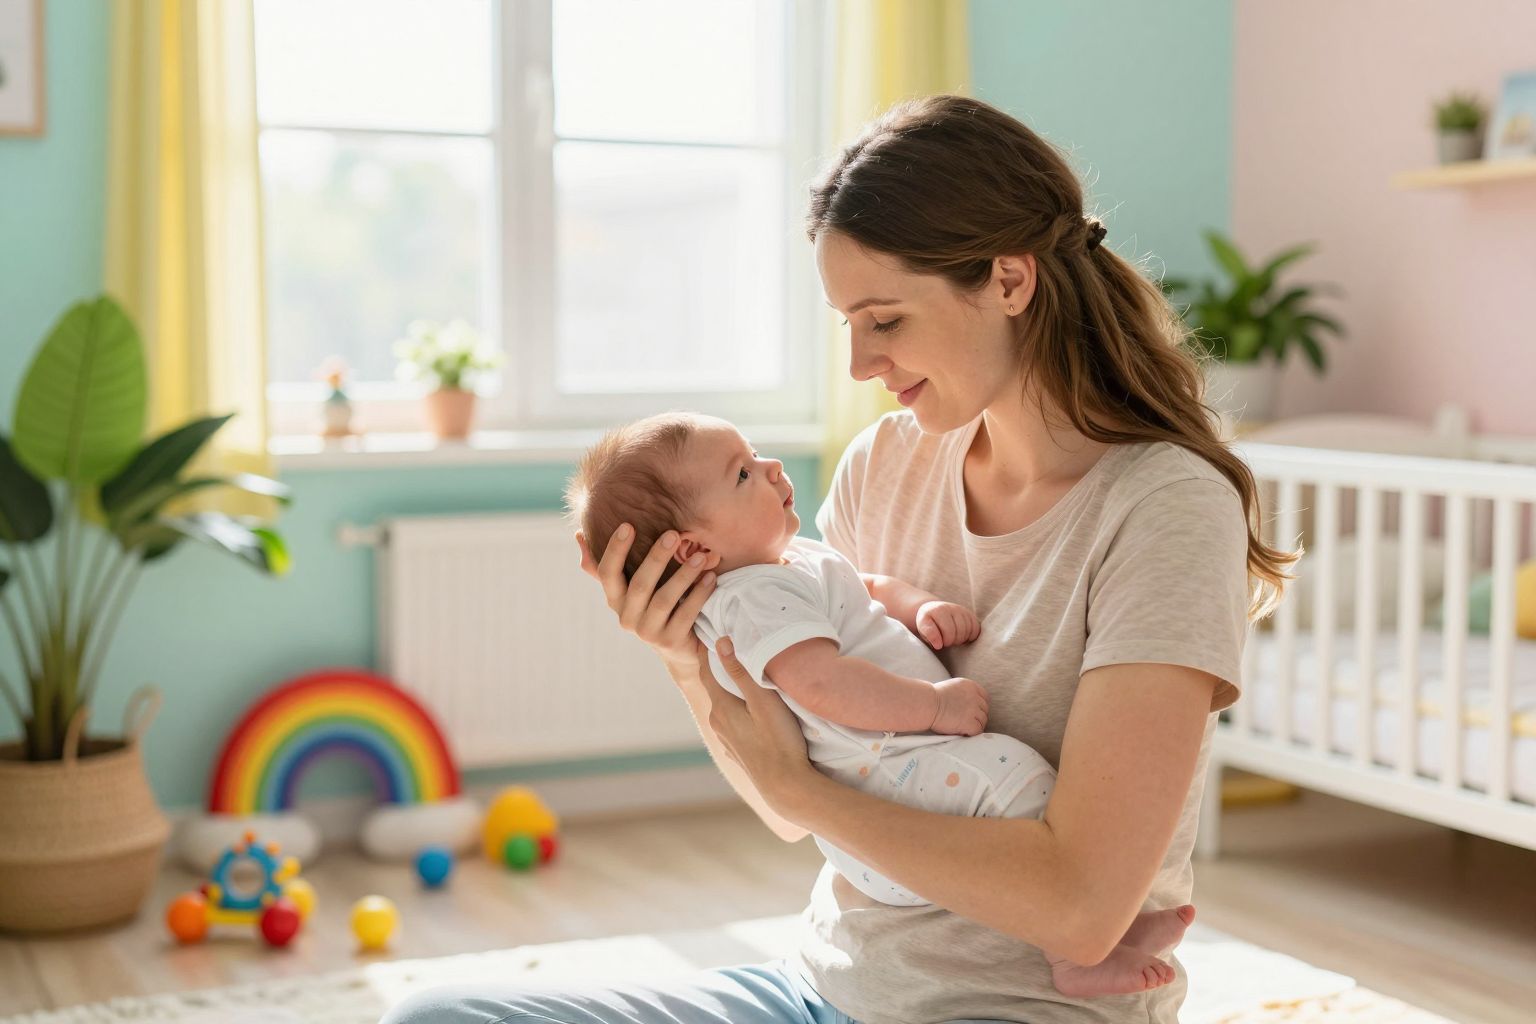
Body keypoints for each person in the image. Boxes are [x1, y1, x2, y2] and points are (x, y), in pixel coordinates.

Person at [383, 94, 1293, 1024]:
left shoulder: (1165, 508)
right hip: (822, 990)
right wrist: (688, 654)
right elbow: (799, 807)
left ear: (1010, 281)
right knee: (435, 1016)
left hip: (1014, 1009)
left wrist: (792, 783)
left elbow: (1084, 906)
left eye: (885, 320)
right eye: (846, 324)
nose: (860, 363)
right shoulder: (883, 466)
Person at [563, 410, 1196, 997]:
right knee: (1015, 775)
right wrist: (933, 706)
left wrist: (918, 606)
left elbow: (862, 588)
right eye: (743, 474)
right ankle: (1075, 956)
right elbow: (821, 684)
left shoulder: (788, 562)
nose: (772, 468)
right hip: (889, 773)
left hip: (960, 961)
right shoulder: (751, 599)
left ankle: (1102, 931)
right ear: (696, 551)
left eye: (754, 454)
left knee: (1025, 798)